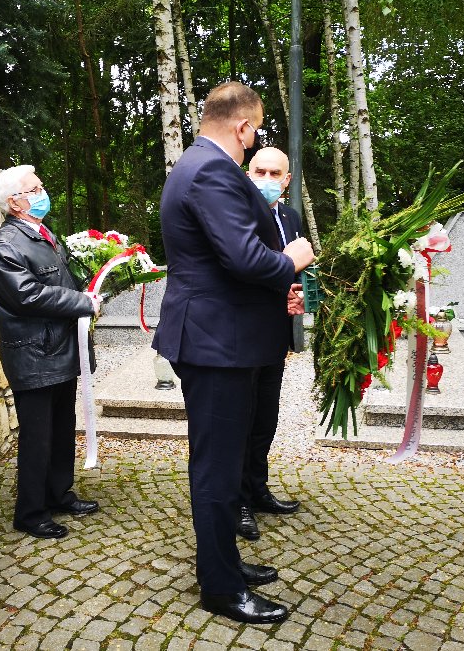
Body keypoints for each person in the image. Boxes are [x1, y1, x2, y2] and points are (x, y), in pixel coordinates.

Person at [152, 82, 314, 624]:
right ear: (243, 127)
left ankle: (224, 563)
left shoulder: (197, 164)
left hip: (222, 339)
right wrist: (293, 259)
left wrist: (277, 290)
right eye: (256, 131)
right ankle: (221, 588)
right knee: (217, 470)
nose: (255, 141)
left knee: (223, 464)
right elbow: (244, 258)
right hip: (215, 345)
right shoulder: (212, 171)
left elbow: (223, 263)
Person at [0, 165, 101, 540]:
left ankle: (58, 494)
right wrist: (82, 302)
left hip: (60, 350)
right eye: (34, 190)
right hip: (34, 356)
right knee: (38, 438)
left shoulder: (43, 233)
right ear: (14, 203)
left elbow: (61, 282)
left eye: (40, 187)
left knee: (62, 429)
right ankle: (31, 513)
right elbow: (27, 295)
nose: (42, 194)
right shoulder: (7, 245)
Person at [237, 147, 305, 542]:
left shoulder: (290, 217)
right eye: (258, 171)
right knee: (242, 422)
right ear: (247, 175)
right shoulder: (238, 214)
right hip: (243, 334)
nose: (265, 179)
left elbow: (295, 271)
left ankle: (258, 489)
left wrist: (298, 294)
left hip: (275, 334)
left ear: (287, 179)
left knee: (266, 419)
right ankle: (239, 502)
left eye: (274, 173)